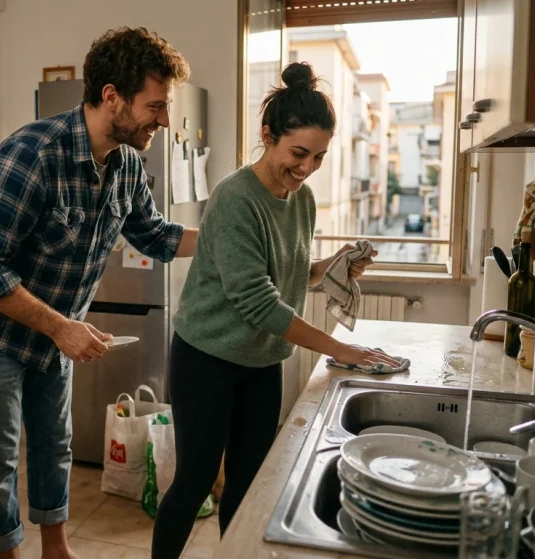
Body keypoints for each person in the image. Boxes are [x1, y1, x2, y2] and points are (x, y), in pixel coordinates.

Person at [0, 27, 197, 559]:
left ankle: (55, 548)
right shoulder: (31, 154)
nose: (164, 120)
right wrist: (62, 326)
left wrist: (232, 237)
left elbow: (154, 234)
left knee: (54, 442)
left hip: (57, 329)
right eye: (155, 106)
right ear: (112, 97)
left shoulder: (127, 164)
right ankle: (8, 553)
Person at [150, 62, 401, 558]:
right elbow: (258, 301)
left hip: (262, 365)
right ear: (268, 136)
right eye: (298, 153)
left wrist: (332, 266)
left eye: (319, 157)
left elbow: (289, 274)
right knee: (196, 482)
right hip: (207, 360)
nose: (307, 167)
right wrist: (340, 349)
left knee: (247, 489)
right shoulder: (234, 199)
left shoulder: (301, 201)